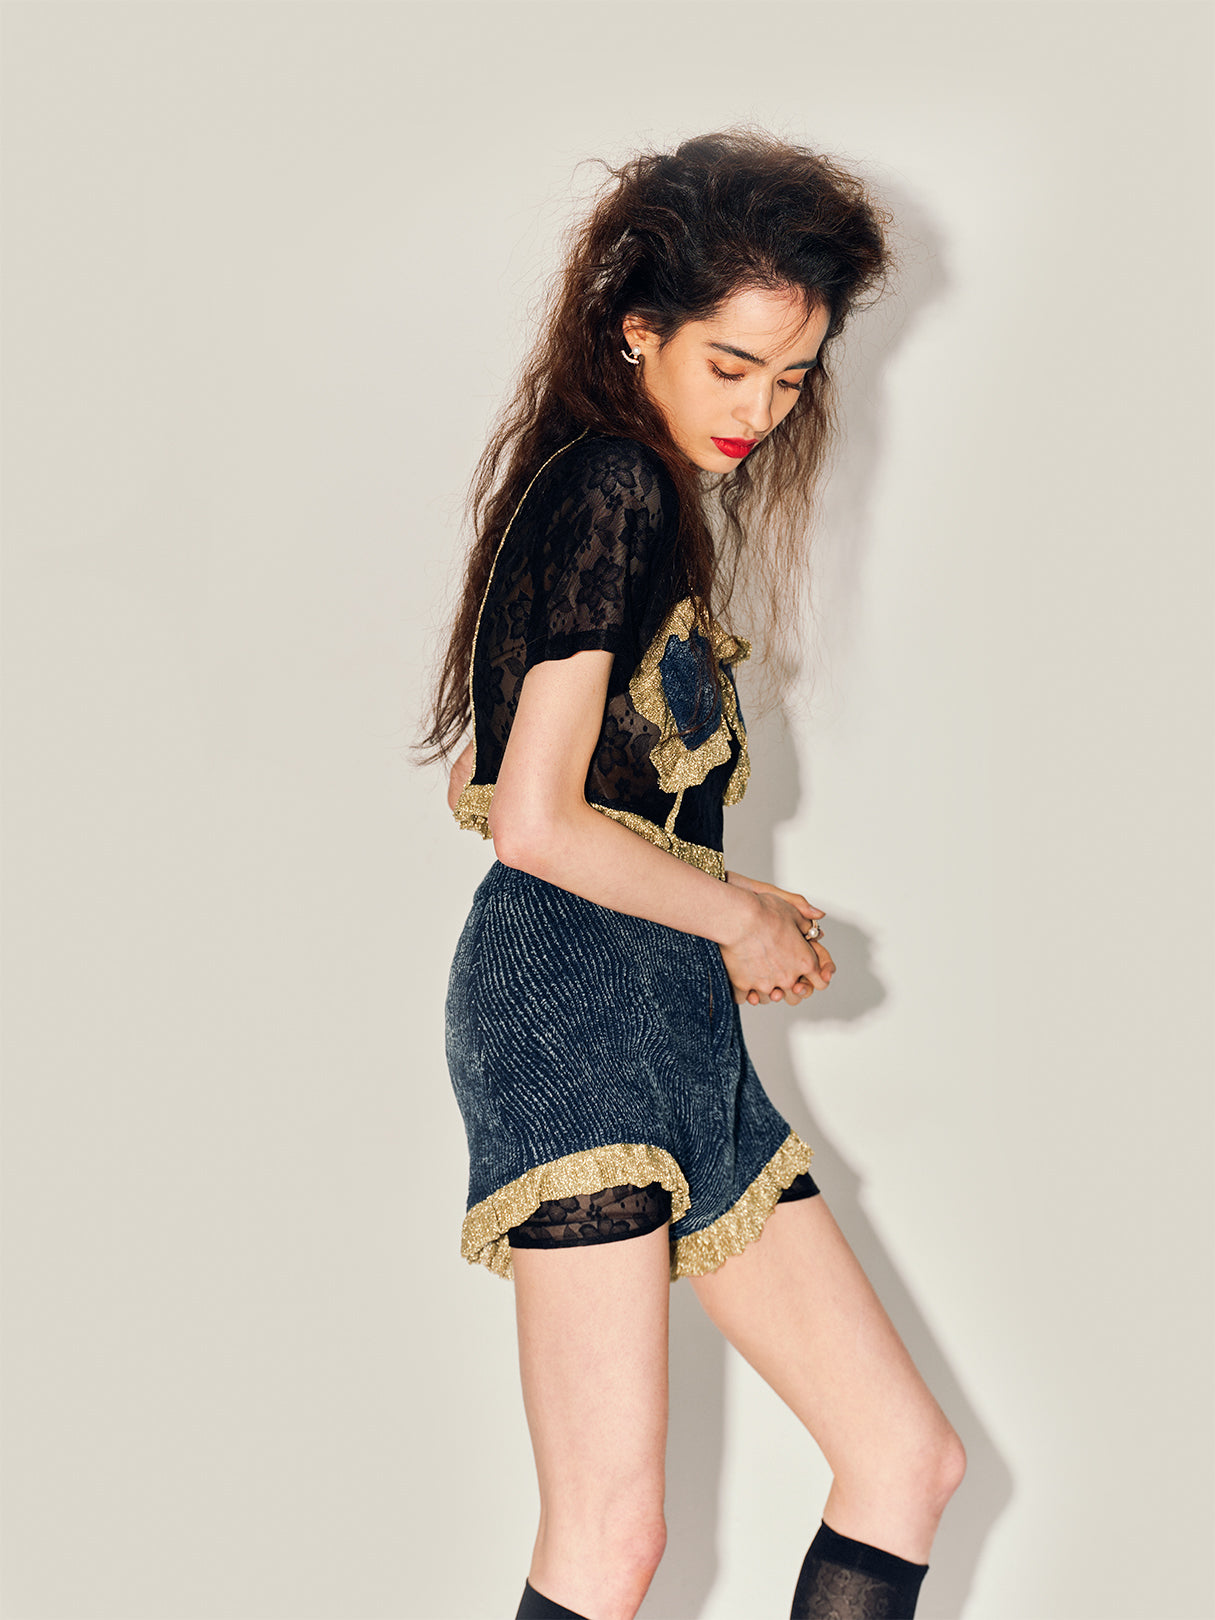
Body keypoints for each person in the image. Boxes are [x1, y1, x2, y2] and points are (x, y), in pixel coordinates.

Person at [418, 129, 965, 1620]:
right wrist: (730, 912)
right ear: (635, 329)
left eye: (791, 378)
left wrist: (730, 910)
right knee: (610, 1537)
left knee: (903, 1460)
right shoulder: (612, 486)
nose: (760, 410)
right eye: (731, 367)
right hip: (575, 1013)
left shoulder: (622, 494)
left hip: (664, 1006)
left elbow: (530, 785)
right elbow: (531, 824)